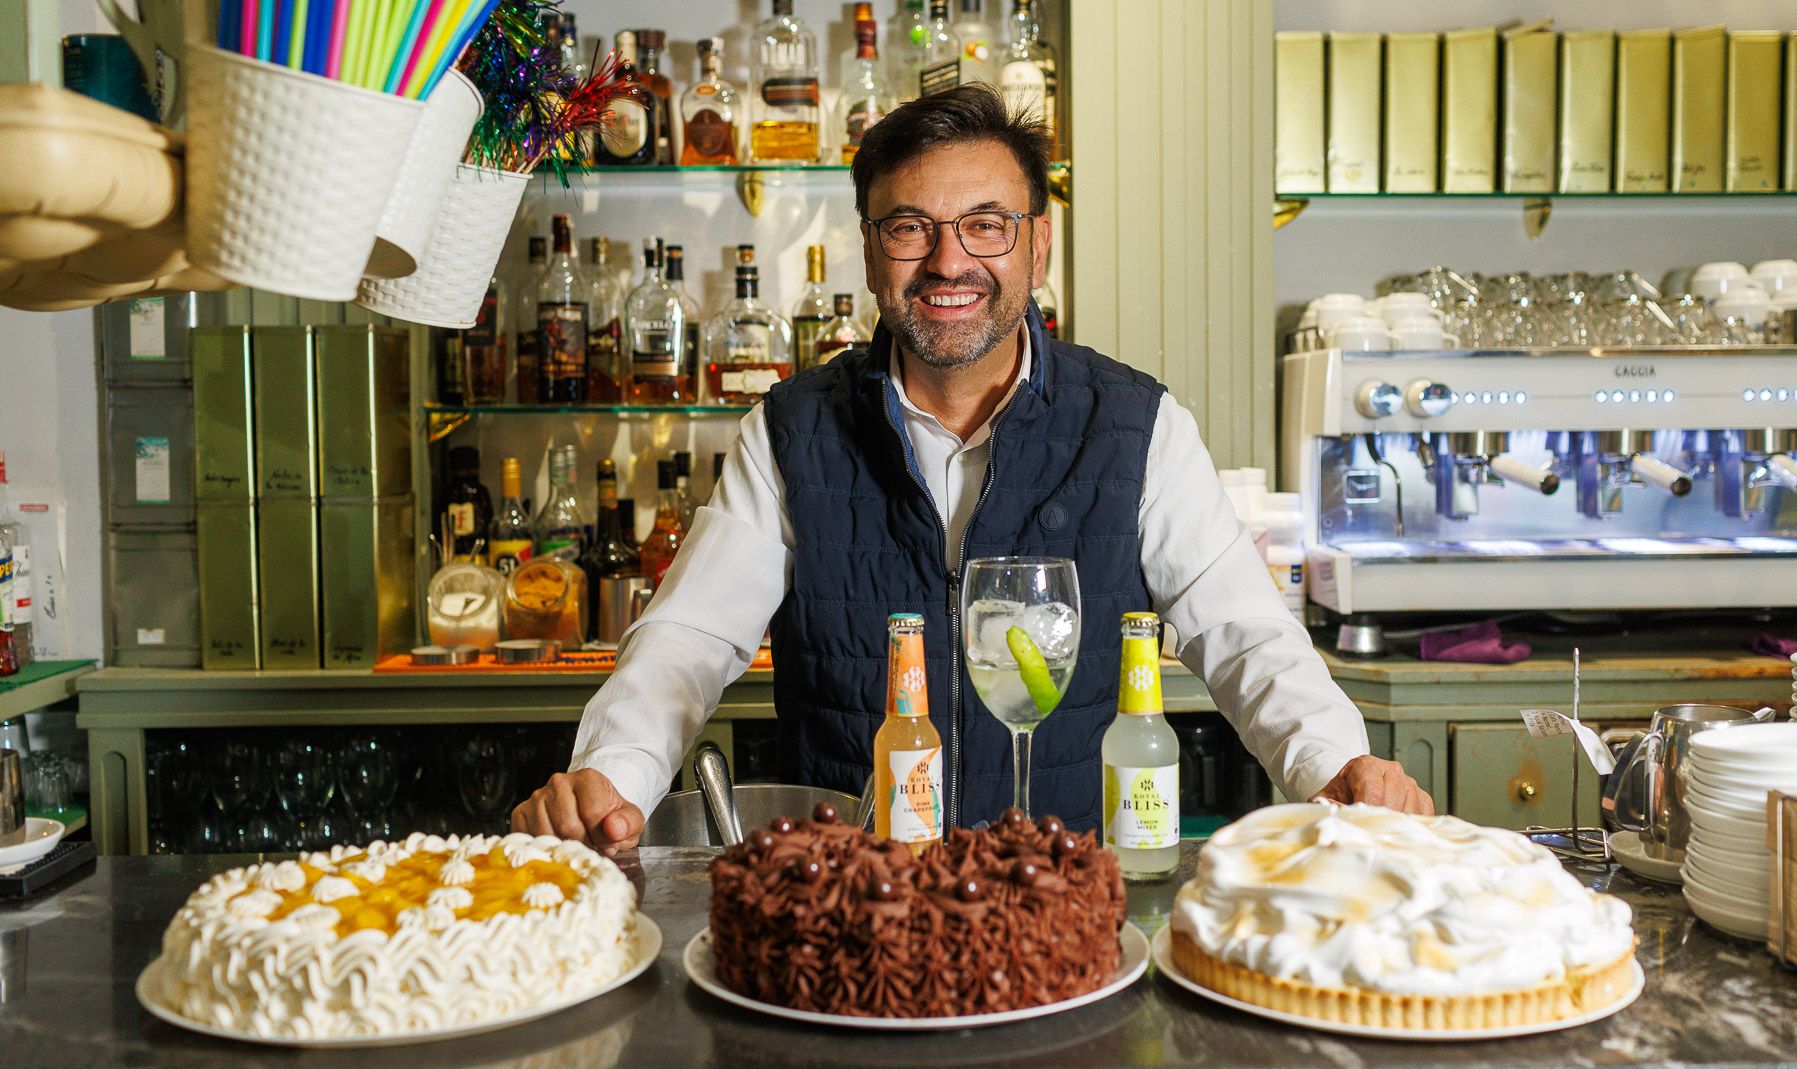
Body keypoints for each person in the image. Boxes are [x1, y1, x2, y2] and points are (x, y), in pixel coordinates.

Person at [513, 85, 1432, 855]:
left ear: (1038, 246)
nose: (950, 261)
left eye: (986, 225)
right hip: (851, 905)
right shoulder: (793, 431)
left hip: (1059, 898)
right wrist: (610, 775)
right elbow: (685, 644)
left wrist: (1334, 765)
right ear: (873, 252)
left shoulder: (1134, 424)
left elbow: (1247, 637)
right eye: (911, 227)